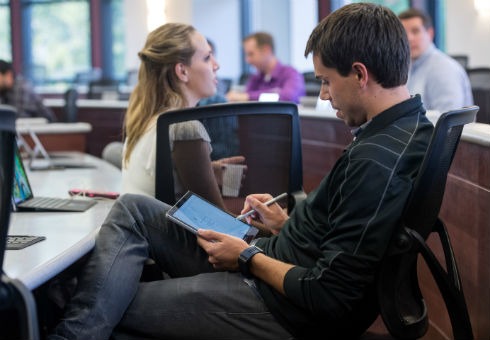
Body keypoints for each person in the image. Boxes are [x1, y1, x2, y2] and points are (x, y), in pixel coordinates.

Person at [48, 4, 434, 339]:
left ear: (360, 74)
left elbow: (329, 294)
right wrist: (283, 225)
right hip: (271, 260)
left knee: (107, 305)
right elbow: (342, 235)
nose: (323, 95)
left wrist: (246, 255)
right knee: (133, 208)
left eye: (326, 81)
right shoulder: (398, 131)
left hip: (282, 307)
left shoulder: (378, 158)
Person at [121, 23, 243, 208]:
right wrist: (281, 230)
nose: (216, 65)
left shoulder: (145, 120)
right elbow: (218, 223)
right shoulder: (184, 127)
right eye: (207, 57)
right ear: (182, 71)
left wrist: (206, 171)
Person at [398, 8, 473, 113]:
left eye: (415, 31)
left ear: (430, 33)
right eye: (404, 34)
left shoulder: (444, 69)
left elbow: (448, 121)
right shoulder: (407, 66)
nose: (409, 38)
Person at [226, 32, 305, 104]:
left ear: (266, 50)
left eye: (251, 54)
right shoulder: (256, 78)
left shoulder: (291, 73)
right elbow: (245, 100)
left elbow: (288, 98)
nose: (247, 60)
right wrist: (274, 93)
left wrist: (248, 97)